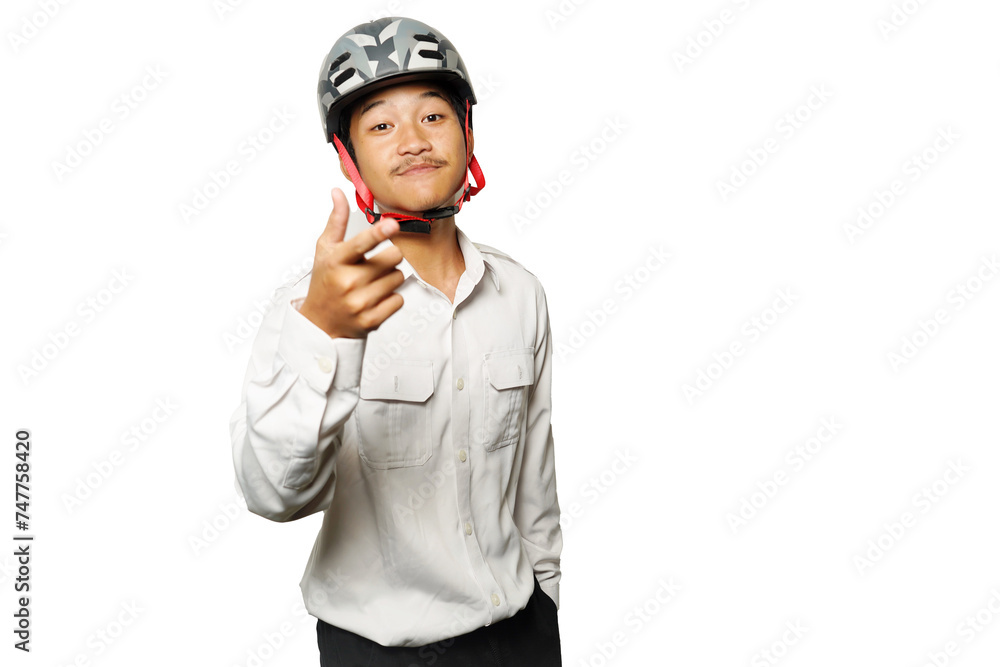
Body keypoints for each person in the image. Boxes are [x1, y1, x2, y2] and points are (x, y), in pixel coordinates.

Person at [229, 16, 563, 666]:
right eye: (381, 125)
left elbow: (535, 481)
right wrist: (323, 329)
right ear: (350, 157)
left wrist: (546, 600)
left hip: (520, 633)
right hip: (379, 650)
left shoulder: (520, 292)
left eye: (432, 117)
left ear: (467, 130)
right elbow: (272, 494)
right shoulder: (307, 306)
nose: (411, 141)